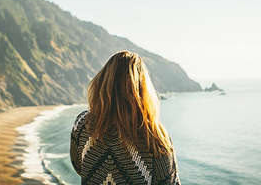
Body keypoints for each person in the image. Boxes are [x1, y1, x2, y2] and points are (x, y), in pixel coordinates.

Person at [70, 51, 181, 185]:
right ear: (142, 89)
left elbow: (78, 166)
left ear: (102, 83)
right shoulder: (155, 136)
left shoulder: (82, 123)